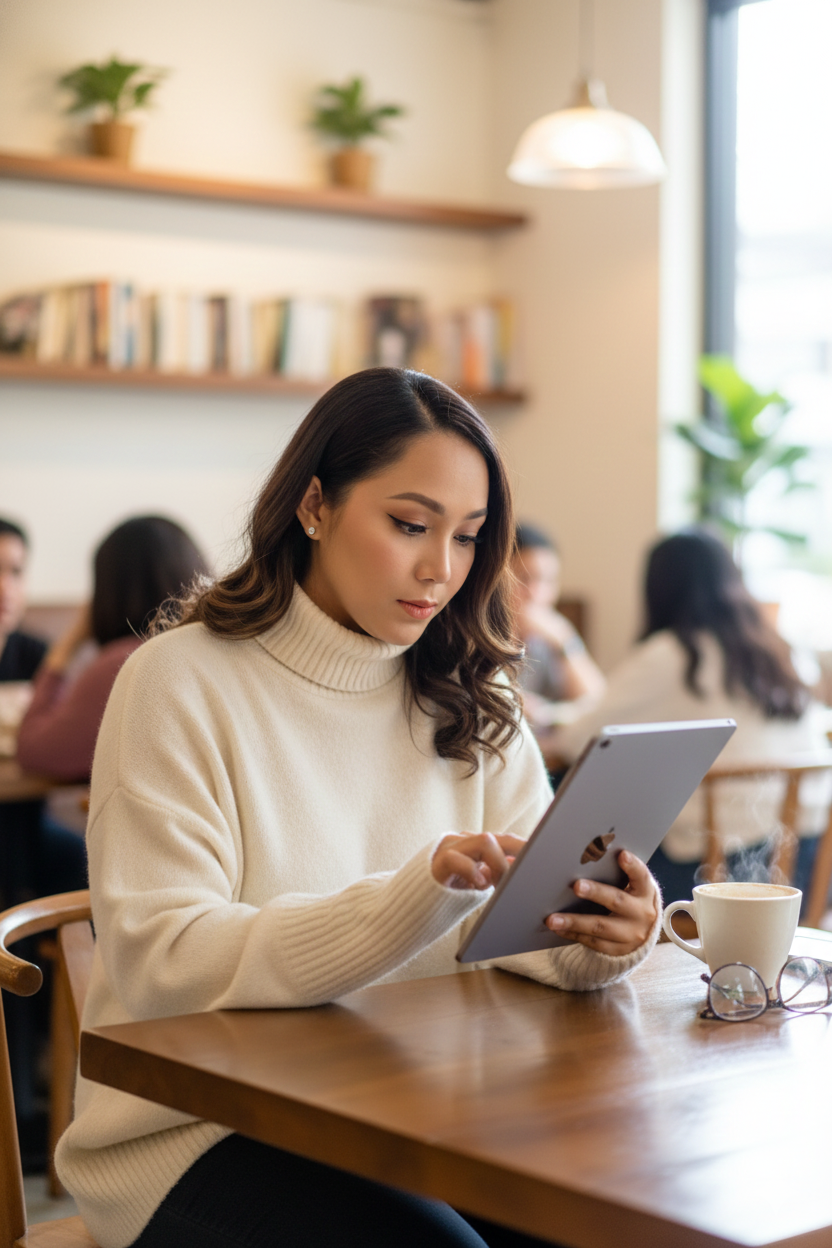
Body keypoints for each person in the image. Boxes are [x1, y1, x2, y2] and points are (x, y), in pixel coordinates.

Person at [56, 368, 661, 1248]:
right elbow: (164, 964)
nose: (441, 570)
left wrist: (601, 931)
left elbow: (518, 933)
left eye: (468, 536)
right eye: (410, 525)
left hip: (424, 1110)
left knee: (619, 1225)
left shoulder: (471, 685)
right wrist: (412, 898)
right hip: (197, 1133)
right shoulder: (179, 680)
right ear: (313, 505)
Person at [548, 528, 831, 904]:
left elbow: (576, 741)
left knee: (570, 795)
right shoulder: (783, 651)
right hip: (806, 866)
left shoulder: (672, 655)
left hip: (713, 874)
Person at [17, 515, 209, 784]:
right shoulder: (208, 652)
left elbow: (33, 751)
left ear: (110, 589)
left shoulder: (126, 662)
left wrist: (67, 645)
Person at [511, 524, 605, 736]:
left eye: (547, 581)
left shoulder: (549, 636)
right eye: (524, 579)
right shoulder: (478, 637)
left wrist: (565, 641)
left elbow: (598, 703)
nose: (536, 593)